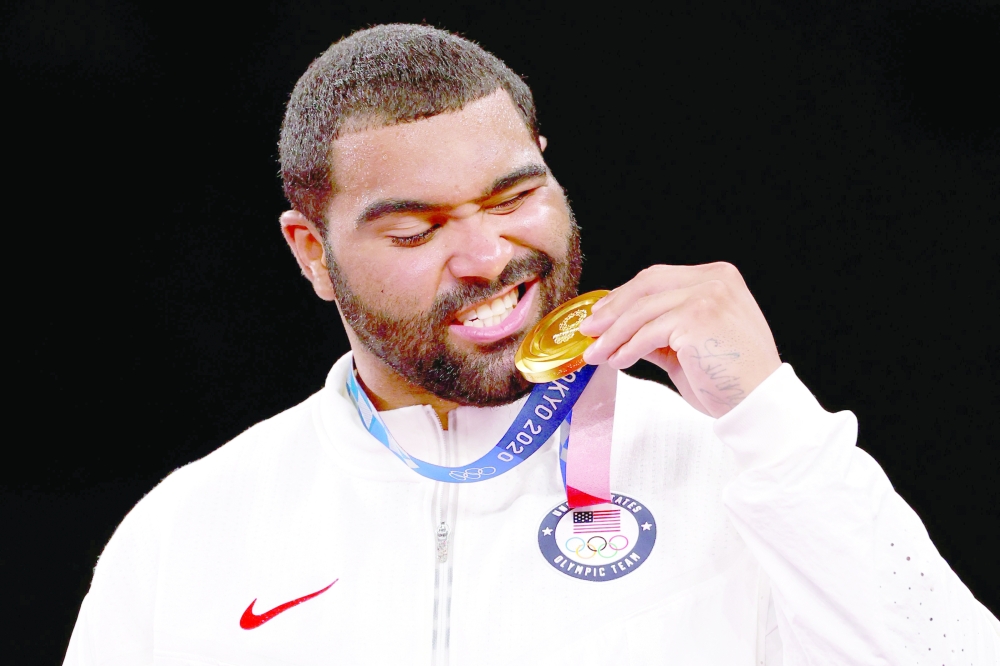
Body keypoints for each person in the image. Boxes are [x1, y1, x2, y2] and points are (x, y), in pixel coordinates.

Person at [64, 23, 999, 665]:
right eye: (416, 230)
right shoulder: (191, 530)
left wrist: (768, 419)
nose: (488, 257)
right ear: (312, 254)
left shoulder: (733, 463)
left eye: (516, 198)